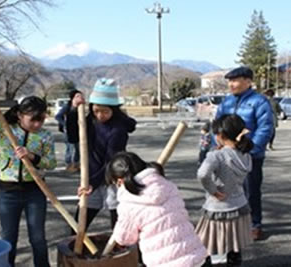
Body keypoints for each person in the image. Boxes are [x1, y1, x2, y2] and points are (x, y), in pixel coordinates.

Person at [0, 88, 57, 267]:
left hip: (35, 191)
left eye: (41, 119)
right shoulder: (4, 130)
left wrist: (32, 156)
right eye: (33, 119)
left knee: (38, 238)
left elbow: (51, 163)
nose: (38, 124)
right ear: (19, 115)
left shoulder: (45, 136)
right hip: (8, 193)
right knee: (8, 238)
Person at [104, 151, 208, 267]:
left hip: (165, 262)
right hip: (196, 255)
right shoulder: (166, 185)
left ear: (120, 181)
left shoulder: (129, 203)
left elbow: (125, 238)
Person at [215, 66, 273, 241]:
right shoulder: (226, 102)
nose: (231, 84)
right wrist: (217, 143)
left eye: (235, 80)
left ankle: (255, 224)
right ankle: (234, 223)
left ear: (248, 81)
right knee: (228, 190)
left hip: (250, 156)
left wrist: (250, 149)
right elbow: (217, 125)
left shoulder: (259, 102)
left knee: (251, 191)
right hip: (227, 155)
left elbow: (265, 128)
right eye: (229, 81)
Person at [73, 78, 137, 230]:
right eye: (96, 110)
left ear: (113, 110)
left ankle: (121, 250)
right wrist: (72, 109)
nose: (100, 115)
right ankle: (78, 251)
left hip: (113, 178)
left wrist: (92, 183)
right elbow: (72, 135)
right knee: (78, 225)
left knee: (118, 223)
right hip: (91, 176)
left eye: (105, 111)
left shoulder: (118, 130)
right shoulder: (90, 120)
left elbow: (111, 160)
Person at [195, 114, 254, 267]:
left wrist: (213, 190)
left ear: (220, 136)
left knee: (209, 243)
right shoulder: (246, 155)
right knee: (234, 243)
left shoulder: (217, 156)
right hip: (239, 205)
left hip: (218, 208)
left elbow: (202, 174)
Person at [55, 90, 83, 173]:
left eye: (81, 96)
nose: (80, 98)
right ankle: (69, 165)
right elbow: (58, 116)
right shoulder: (67, 107)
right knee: (70, 149)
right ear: (73, 98)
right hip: (68, 132)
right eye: (77, 96)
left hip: (78, 131)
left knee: (78, 149)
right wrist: (64, 124)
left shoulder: (80, 107)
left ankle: (76, 164)